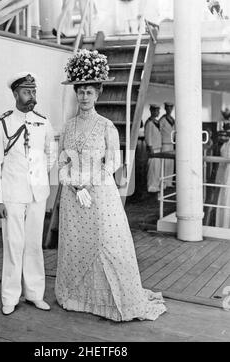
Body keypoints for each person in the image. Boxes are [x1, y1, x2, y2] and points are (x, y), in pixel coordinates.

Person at [55, 49, 166, 322]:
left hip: (100, 193)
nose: (83, 97)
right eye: (80, 91)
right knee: (76, 245)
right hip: (74, 195)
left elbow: (113, 163)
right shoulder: (68, 127)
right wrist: (74, 186)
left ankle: (113, 300)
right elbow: (60, 161)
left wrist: (89, 185)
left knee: (107, 244)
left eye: (89, 92)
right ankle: (78, 297)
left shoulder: (106, 127)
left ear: (98, 94)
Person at [0, 72, 57, 315]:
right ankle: (10, 297)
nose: (32, 97)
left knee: (34, 245)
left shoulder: (43, 121)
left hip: (37, 194)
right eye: (27, 92)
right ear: (15, 94)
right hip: (12, 194)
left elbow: (51, 151)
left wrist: (39, 174)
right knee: (13, 245)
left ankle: (35, 294)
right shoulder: (2, 123)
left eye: (34, 91)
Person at [144, 104, 162, 193]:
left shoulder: (156, 122)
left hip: (158, 148)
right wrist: (150, 147)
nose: (158, 112)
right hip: (153, 149)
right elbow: (148, 137)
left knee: (157, 168)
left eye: (158, 111)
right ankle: (151, 186)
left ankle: (156, 185)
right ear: (152, 111)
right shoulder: (149, 123)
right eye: (156, 111)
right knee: (152, 169)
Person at [159, 102, 175, 188]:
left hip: (171, 143)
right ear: (165, 109)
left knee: (170, 164)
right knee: (165, 163)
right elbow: (159, 132)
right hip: (164, 143)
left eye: (171, 108)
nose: (169, 110)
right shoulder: (162, 120)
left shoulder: (172, 119)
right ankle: (164, 183)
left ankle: (169, 182)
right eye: (168, 108)